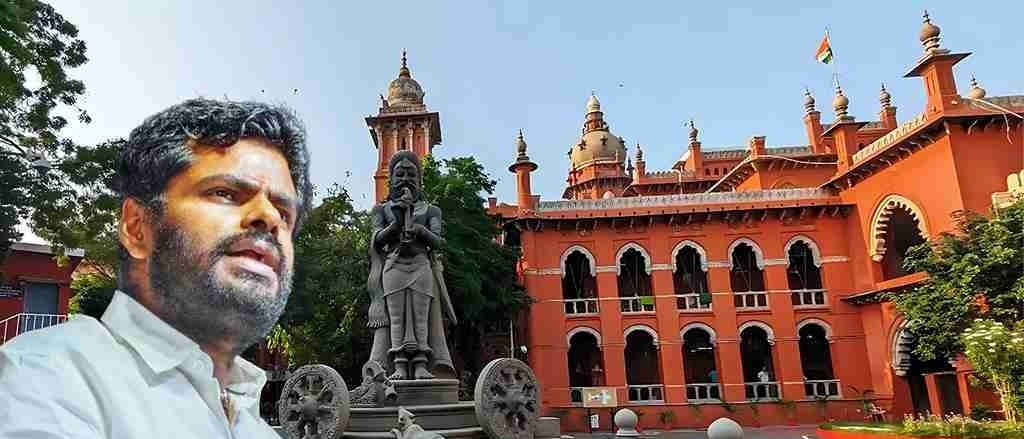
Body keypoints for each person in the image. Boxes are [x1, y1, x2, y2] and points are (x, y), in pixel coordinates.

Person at [0, 99, 313, 438]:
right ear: (137, 227)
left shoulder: (256, 427)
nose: (269, 218)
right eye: (225, 193)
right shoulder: (49, 377)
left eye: (284, 213)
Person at [366, 150, 456, 380]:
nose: (405, 178)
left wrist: (420, 230)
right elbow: (377, 239)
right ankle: (398, 367)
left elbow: (438, 241)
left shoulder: (431, 210)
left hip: (420, 265)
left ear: (419, 179)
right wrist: (396, 223)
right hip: (394, 266)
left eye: (411, 173)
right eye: (399, 173)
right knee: (396, 319)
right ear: (391, 179)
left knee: (420, 318)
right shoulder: (382, 210)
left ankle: (420, 366)